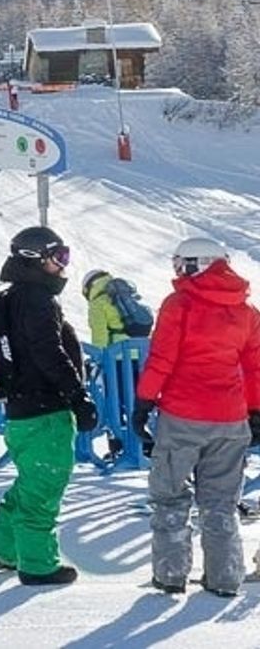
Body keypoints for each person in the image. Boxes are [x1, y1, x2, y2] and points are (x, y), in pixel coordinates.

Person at [130, 237, 260, 597]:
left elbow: (162, 359)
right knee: (221, 502)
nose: (176, 271)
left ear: (195, 264)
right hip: (230, 419)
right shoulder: (247, 312)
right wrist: (255, 411)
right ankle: (224, 578)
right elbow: (254, 368)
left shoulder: (180, 304)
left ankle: (171, 575)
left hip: (182, 415)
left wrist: (143, 402)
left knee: (171, 496)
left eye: (178, 264)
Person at [0, 226, 96, 587]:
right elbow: (48, 353)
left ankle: (4, 549)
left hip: (24, 411)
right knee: (45, 486)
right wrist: (78, 396)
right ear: (35, 259)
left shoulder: (18, 296)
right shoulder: (35, 299)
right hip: (44, 410)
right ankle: (37, 564)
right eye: (58, 257)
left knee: (30, 482)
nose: (63, 265)